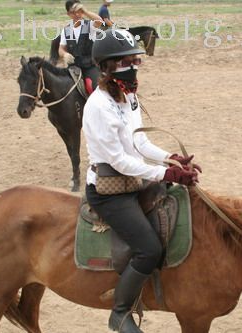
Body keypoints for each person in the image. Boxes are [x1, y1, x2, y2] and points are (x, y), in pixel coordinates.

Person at [83, 29, 200, 333]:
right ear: (107, 67)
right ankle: (120, 314)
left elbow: (140, 143)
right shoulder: (97, 107)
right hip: (110, 192)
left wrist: (172, 159)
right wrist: (166, 174)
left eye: (135, 60)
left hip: (134, 180)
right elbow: (119, 161)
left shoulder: (129, 96)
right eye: (127, 62)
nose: (134, 67)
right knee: (149, 248)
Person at [59, 0, 103, 94]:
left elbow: (99, 21)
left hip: (90, 67)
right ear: (68, 14)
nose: (77, 14)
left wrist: (85, 11)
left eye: (79, 11)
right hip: (73, 68)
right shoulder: (66, 30)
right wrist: (64, 54)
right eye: (73, 12)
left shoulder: (90, 25)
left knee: (96, 89)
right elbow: (61, 48)